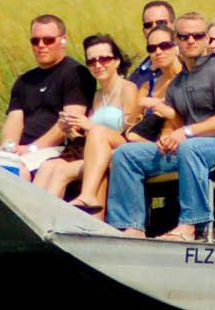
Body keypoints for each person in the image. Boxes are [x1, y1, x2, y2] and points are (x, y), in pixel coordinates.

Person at [107, 12, 215, 241]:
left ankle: (191, 225)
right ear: (177, 41)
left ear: (207, 39)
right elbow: (176, 122)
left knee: (191, 148)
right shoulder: (178, 82)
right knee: (125, 154)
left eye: (198, 35)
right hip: (194, 148)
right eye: (184, 36)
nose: (191, 40)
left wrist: (185, 133)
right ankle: (130, 226)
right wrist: (167, 138)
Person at [70, 24, 182, 215]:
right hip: (141, 140)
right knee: (92, 153)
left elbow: (189, 122)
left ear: (176, 47)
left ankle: (103, 215)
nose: (158, 51)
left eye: (164, 45)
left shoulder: (184, 80)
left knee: (106, 149)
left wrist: (161, 108)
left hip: (170, 144)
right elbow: (131, 124)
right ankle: (91, 217)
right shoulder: (148, 85)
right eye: (152, 48)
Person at [35, 35, 138, 196]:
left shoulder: (128, 89)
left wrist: (91, 126)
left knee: (60, 171)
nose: (98, 65)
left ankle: (50, 217)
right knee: (47, 167)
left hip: (117, 149)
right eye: (91, 61)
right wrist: (69, 129)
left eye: (104, 59)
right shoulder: (97, 96)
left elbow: (131, 133)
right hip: (90, 149)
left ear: (117, 61)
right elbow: (88, 137)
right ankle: (31, 215)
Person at [0, 14, 94, 175]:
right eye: (35, 41)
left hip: (55, 149)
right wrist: (10, 147)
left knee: (17, 171)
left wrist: (33, 148)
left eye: (48, 40)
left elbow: (70, 121)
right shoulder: (24, 80)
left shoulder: (75, 73)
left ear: (63, 40)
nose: (41, 45)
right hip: (24, 150)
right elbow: (15, 118)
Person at [128, 0, 176, 95]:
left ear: (174, 25)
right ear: (143, 31)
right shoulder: (139, 73)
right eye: (148, 25)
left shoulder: (187, 65)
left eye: (161, 23)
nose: (154, 28)